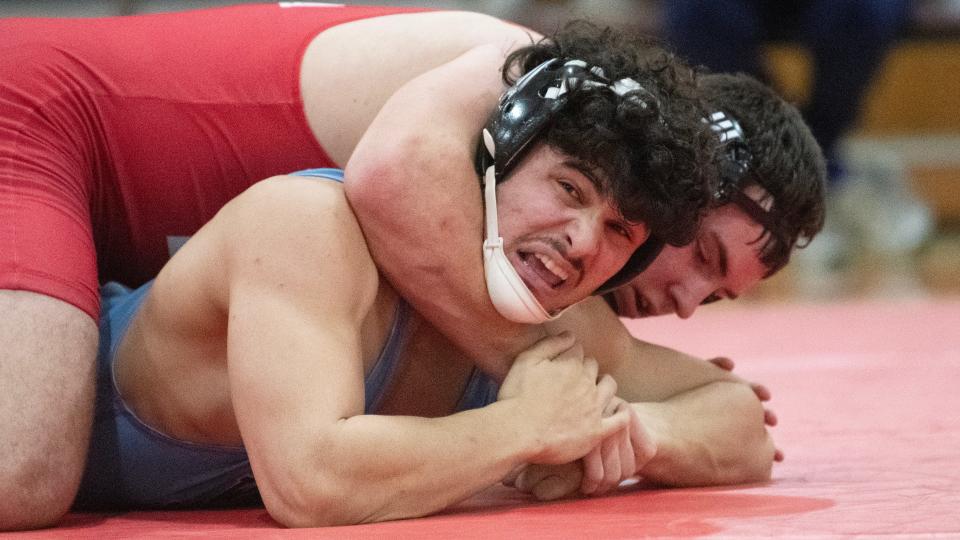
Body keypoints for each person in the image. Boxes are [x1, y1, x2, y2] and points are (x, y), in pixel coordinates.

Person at [71, 28, 730, 523]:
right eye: (568, 188)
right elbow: (311, 484)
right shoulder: (306, 228)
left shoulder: (545, 324)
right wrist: (527, 429)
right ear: (501, 152)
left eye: (620, 232)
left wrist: (622, 433)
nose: (583, 241)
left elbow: (737, 419)